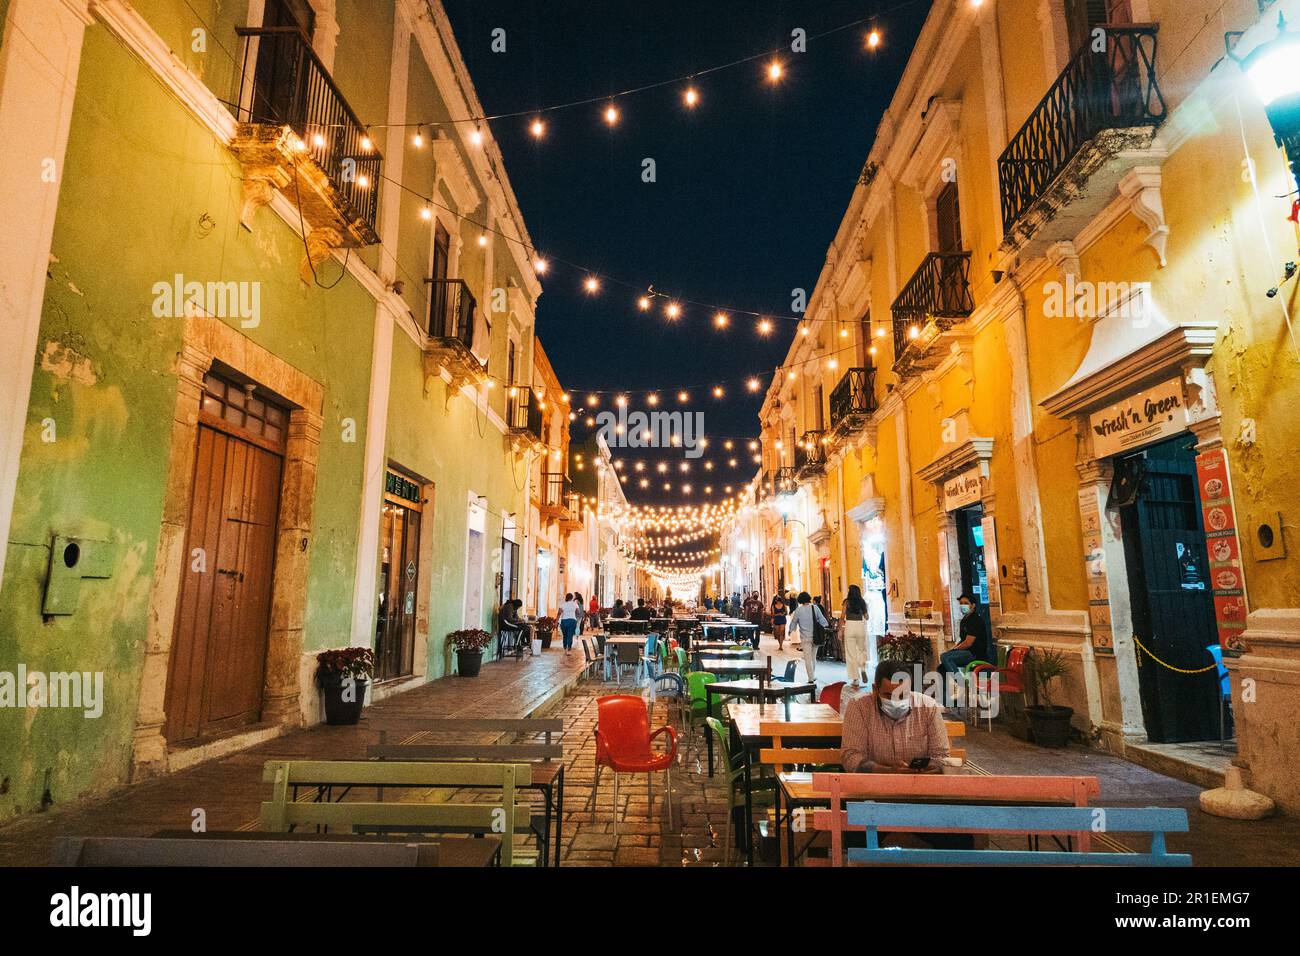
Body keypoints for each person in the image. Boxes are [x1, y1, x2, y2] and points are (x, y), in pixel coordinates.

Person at [940, 592, 988, 679]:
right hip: (966, 652)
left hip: (974, 653)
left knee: (945, 657)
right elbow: (962, 640)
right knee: (941, 668)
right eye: (961, 603)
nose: (963, 605)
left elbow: (968, 643)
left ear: (973, 605)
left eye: (966, 603)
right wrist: (953, 649)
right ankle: (944, 691)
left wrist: (954, 650)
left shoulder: (975, 620)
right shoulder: (964, 620)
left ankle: (960, 682)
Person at [787, 591, 828, 683]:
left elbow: (794, 622)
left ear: (800, 600)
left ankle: (810, 677)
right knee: (813, 658)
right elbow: (823, 620)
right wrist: (825, 626)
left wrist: (790, 630)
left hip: (805, 638)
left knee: (808, 658)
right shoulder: (815, 608)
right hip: (815, 637)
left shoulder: (798, 610)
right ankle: (812, 676)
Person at [842, 585, 869, 687]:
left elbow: (842, 617)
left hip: (850, 626)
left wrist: (840, 630)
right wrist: (864, 612)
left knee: (851, 653)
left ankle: (856, 679)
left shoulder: (846, 602)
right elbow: (867, 617)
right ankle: (862, 668)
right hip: (860, 627)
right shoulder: (862, 602)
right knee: (861, 650)